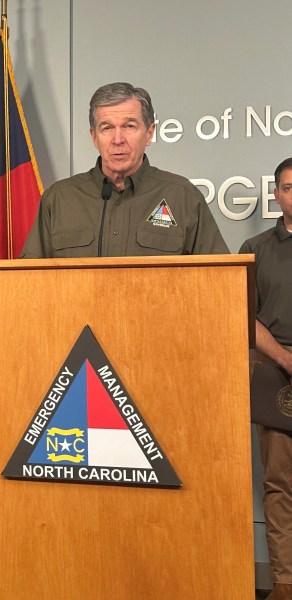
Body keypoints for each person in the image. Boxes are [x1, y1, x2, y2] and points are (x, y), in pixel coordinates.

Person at [20, 82, 228, 258]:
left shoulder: (181, 196)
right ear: (94, 137)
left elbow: (219, 281)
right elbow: (29, 283)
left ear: (149, 133)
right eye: (107, 128)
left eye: (129, 126)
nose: (118, 140)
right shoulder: (59, 199)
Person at [241, 157, 292, 600]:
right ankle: (283, 582)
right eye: (289, 187)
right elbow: (244, 316)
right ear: (276, 194)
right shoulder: (255, 246)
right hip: (275, 376)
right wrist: (286, 360)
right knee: (279, 484)